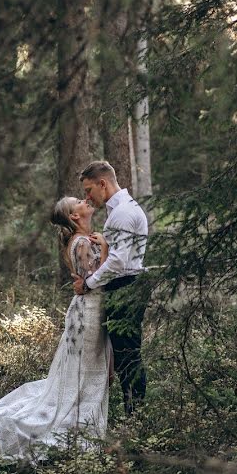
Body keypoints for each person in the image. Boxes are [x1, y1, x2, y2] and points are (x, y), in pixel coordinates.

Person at [0, 197, 113, 472]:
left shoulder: (84, 239)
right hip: (88, 314)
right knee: (82, 376)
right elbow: (95, 279)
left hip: (89, 311)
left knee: (83, 375)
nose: (85, 200)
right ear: (74, 216)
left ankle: (81, 429)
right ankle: (73, 433)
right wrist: (107, 248)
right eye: (78, 201)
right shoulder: (83, 242)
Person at [73, 160, 149, 415]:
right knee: (125, 354)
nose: (88, 197)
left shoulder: (123, 213)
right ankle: (132, 413)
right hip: (124, 285)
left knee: (128, 355)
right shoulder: (122, 211)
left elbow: (118, 261)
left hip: (125, 286)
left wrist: (88, 283)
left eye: (88, 190)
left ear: (102, 184)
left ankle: (135, 415)